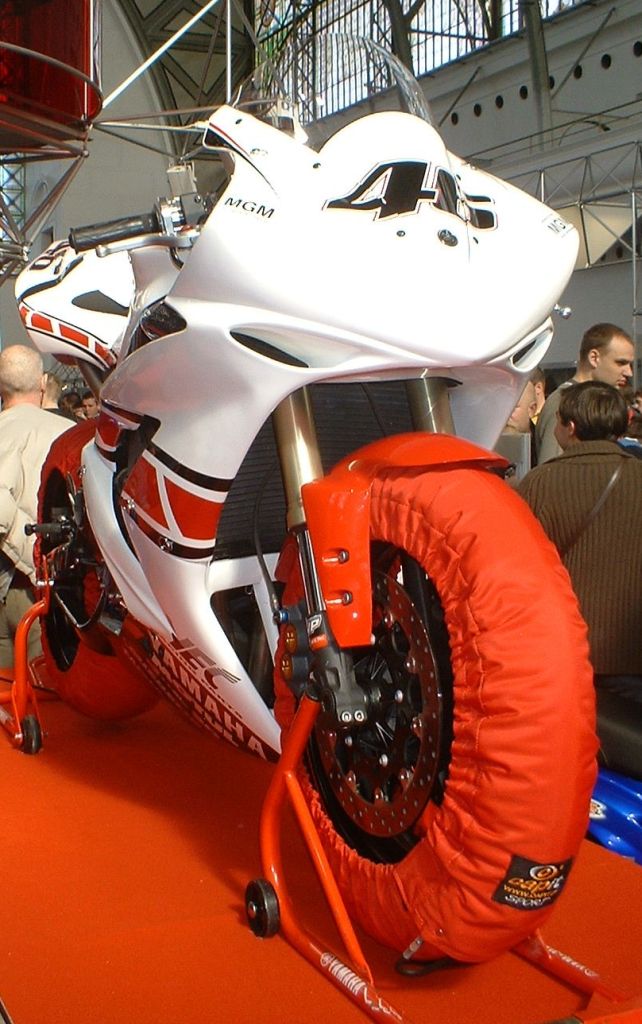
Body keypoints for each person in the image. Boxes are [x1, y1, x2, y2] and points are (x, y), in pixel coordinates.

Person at [518, 380, 642, 702]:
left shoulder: (540, 483)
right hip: (634, 653)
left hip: (568, 653)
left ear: (570, 427)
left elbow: (521, 570)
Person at [0, 345, 72, 669]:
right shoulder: (69, 434)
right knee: (43, 690)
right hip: (47, 594)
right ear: (42, 383)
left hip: (13, 585)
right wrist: (34, 559)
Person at [535, 323, 634, 464]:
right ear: (594, 358)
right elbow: (551, 467)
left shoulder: (601, 401)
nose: (629, 372)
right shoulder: (564, 401)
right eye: (621, 363)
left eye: (630, 364)